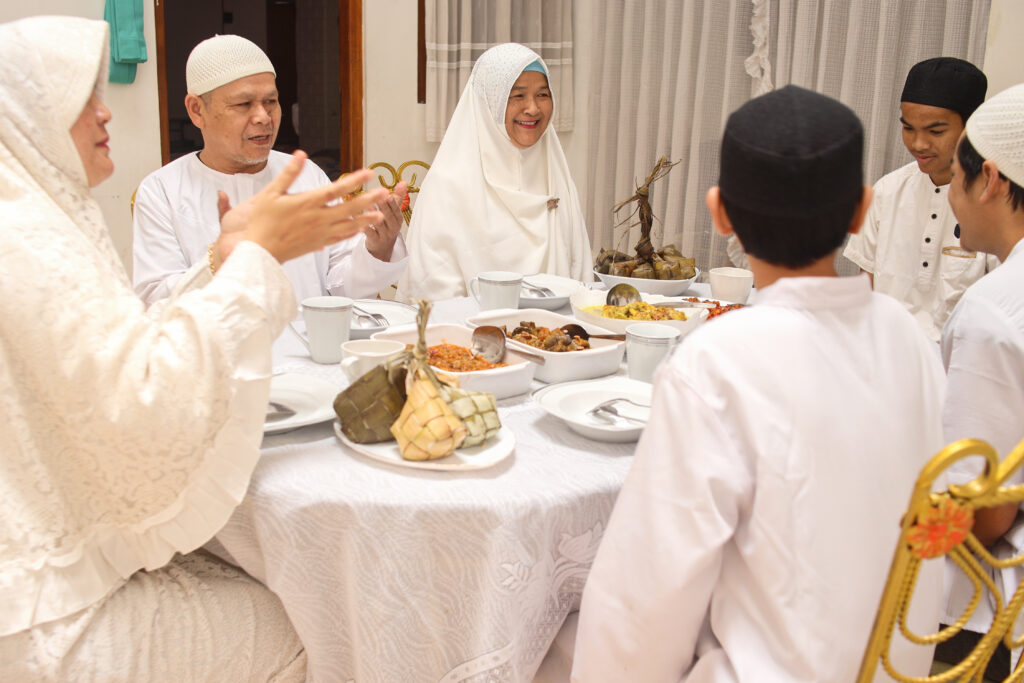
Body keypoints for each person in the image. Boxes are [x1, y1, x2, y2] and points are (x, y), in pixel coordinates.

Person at [0, 16, 389, 680]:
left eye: (270, 101)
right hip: (46, 605)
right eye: (83, 98)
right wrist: (250, 259)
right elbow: (145, 389)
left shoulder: (42, 213)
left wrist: (231, 253)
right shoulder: (33, 237)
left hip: (306, 388)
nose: (105, 114)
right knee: (314, 616)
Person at [571, 86, 946, 681]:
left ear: (719, 213)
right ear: (862, 210)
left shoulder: (718, 362)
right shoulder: (908, 336)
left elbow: (645, 596)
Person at [132, 33, 408, 305]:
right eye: (243, 104)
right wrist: (220, 261)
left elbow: (340, 289)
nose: (264, 117)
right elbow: (156, 301)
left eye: (270, 102)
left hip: (309, 347)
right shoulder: (162, 191)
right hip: (221, 349)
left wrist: (377, 249)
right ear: (196, 110)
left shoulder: (306, 175)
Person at [935, 83, 1024, 679]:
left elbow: (983, 514)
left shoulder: (995, 313)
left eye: (954, 177)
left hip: (986, 617)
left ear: (988, 178)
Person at [396, 43, 592, 301]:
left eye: (542, 95)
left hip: (558, 332)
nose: (532, 108)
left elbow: (578, 270)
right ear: (488, 103)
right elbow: (433, 290)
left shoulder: (556, 175)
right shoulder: (449, 185)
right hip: (470, 334)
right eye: (517, 95)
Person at [844, 57, 995, 342]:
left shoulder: (995, 201)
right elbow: (865, 292)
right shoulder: (887, 192)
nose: (918, 144)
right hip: (884, 356)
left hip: (958, 365)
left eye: (936, 131)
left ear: (971, 125)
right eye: (908, 128)